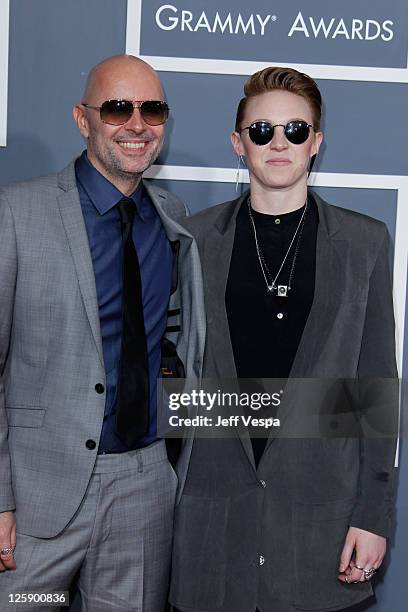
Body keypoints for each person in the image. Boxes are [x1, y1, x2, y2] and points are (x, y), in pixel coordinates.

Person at [169, 67, 398, 612]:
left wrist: (373, 514)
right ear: (238, 142)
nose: (278, 143)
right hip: (211, 523)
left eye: (295, 130)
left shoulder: (364, 243)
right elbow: (173, 379)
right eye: (261, 130)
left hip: (320, 525)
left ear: (316, 143)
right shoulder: (192, 240)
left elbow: (374, 391)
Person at [0, 54, 204, 611]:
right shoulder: (15, 214)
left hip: (142, 485)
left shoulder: (169, 216)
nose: (136, 124)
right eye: (117, 108)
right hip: (36, 494)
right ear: (81, 118)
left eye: (152, 109)